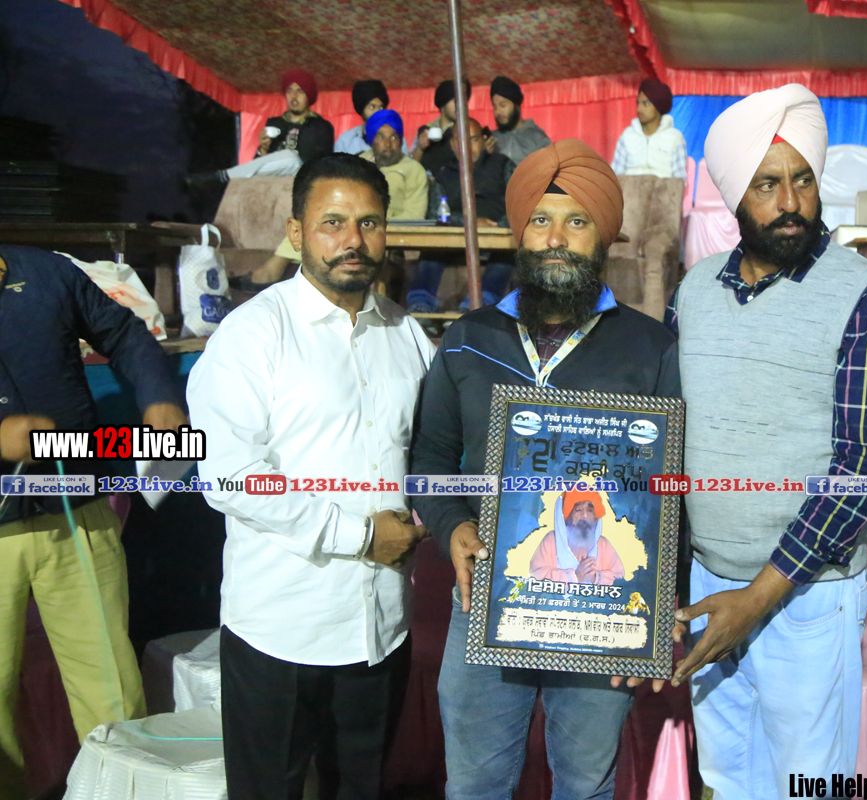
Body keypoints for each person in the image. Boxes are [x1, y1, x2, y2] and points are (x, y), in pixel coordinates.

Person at [666, 84, 867, 797]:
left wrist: (756, 599)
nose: (790, 202)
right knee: (727, 779)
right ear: (733, 196)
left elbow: (860, 472)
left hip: (805, 598)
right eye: (767, 184)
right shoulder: (692, 293)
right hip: (708, 589)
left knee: (807, 783)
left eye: (802, 180)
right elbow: (669, 440)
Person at [410, 139, 680, 800]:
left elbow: (673, 488)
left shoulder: (651, 348)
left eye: (577, 221)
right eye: (541, 220)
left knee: (585, 783)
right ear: (519, 232)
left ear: (605, 235)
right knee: (474, 783)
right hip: (487, 598)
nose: (556, 238)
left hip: (601, 606)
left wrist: (661, 599)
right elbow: (429, 462)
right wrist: (452, 528)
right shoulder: (468, 341)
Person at [188, 153, 436, 800]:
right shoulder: (252, 335)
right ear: (296, 232)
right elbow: (232, 476)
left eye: (369, 223)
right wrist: (361, 536)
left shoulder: (408, 336)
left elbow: (434, 453)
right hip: (281, 630)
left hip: (381, 628)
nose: (353, 240)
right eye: (333, 222)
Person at [0, 246, 188, 799]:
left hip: (77, 510)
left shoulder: (48, 272)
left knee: (111, 688)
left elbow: (125, 333)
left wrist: (158, 398)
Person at [236, 109, 428, 292]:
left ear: (401, 140)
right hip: (343, 221)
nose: (387, 143)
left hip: (378, 230)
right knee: (313, 222)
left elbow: (415, 215)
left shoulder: (414, 170)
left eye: (394, 137)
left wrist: (376, 221)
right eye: (380, 137)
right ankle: (276, 270)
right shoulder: (358, 163)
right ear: (371, 140)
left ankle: (272, 271)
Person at [407, 117, 515, 311]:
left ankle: (480, 304)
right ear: (453, 144)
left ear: (483, 140)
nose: (468, 146)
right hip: (456, 236)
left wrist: (498, 227)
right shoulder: (443, 173)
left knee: (508, 250)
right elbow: (436, 215)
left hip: (496, 234)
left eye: (473, 139)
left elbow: (519, 203)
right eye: (462, 140)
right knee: (431, 248)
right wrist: (471, 223)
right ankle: (420, 304)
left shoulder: (503, 165)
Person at [188, 70, 334, 190]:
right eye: (290, 91)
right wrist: (262, 149)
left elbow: (321, 163)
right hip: (272, 176)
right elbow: (259, 165)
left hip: (302, 175)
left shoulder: (321, 126)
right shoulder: (275, 123)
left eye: (300, 91)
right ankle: (225, 177)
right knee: (274, 162)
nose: (294, 97)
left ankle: (222, 176)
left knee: (291, 157)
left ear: (308, 95)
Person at [529, 489, 625, 585]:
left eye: (590, 510)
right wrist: (575, 577)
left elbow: (620, 581)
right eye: (578, 509)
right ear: (567, 515)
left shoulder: (602, 544)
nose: (585, 515)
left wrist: (595, 578)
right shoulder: (552, 541)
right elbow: (535, 578)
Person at [610, 78, 687, 180]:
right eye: (638, 103)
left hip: (662, 189)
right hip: (630, 189)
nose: (639, 109)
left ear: (658, 107)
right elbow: (615, 175)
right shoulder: (627, 136)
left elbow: (679, 180)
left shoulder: (675, 138)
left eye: (645, 104)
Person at [334, 79, 409, 157]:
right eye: (372, 107)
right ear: (362, 109)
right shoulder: (347, 140)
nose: (377, 112)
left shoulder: (396, 138)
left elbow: (406, 163)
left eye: (381, 107)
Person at [487, 76, 551, 165]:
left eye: (503, 105)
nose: (498, 112)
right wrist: (484, 156)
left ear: (517, 106)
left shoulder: (537, 139)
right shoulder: (491, 140)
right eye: (495, 107)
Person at [413, 79, 470, 173]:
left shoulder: (467, 131)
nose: (460, 107)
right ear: (443, 102)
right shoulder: (425, 130)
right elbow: (410, 168)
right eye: (456, 102)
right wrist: (420, 148)